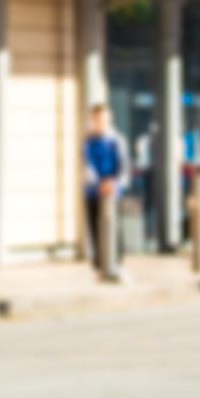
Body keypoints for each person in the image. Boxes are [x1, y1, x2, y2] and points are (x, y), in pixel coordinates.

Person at [80, 98, 126, 277]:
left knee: (114, 226)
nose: (100, 122)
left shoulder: (116, 140)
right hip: (94, 190)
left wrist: (114, 183)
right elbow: (86, 165)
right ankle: (100, 263)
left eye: (104, 118)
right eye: (97, 118)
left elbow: (123, 166)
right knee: (95, 226)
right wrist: (96, 182)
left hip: (113, 190)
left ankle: (116, 260)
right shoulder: (88, 141)